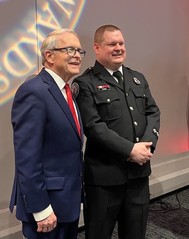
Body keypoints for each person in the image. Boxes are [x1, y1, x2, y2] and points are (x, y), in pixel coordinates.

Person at [73, 24, 160, 239]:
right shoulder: (85, 83)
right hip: (105, 179)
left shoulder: (137, 78)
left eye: (121, 43)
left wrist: (147, 145)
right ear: (97, 47)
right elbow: (93, 126)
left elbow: (153, 112)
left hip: (138, 175)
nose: (119, 48)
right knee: (99, 234)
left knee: (135, 234)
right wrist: (130, 150)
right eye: (112, 44)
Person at [9, 28, 86, 239]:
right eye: (70, 49)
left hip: (66, 203)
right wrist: (41, 209)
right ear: (49, 56)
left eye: (80, 51)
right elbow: (27, 158)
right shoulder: (34, 91)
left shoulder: (66, 91)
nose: (77, 55)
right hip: (46, 209)